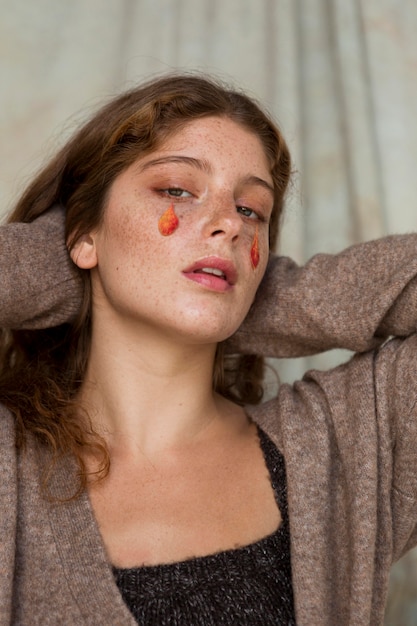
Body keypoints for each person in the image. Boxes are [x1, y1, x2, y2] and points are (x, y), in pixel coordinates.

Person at [1, 73, 417, 626]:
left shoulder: (351, 442)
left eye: (252, 210)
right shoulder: (10, 469)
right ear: (82, 235)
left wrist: (273, 296)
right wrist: (70, 260)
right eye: (176, 190)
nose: (229, 225)